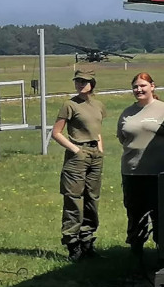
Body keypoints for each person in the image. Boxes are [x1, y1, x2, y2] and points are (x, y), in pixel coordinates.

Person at [50, 69, 106, 261]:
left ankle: (88, 241)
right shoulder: (69, 105)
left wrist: (100, 149)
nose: (81, 84)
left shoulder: (98, 104)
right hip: (78, 155)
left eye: (85, 81)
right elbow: (56, 133)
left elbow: (97, 130)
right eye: (78, 81)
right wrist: (76, 150)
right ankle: (72, 244)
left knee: (92, 198)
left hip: (95, 155)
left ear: (92, 83)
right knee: (74, 199)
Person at [117, 72, 164, 258]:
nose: (139, 89)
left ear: (152, 86)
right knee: (135, 213)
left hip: (158, 173)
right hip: (132, 172)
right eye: (135, 87)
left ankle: (161, 253)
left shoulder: (161, 109)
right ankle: (136, 252)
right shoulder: (127, 113)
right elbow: (123, 138)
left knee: (160, 214)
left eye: (143, 86)